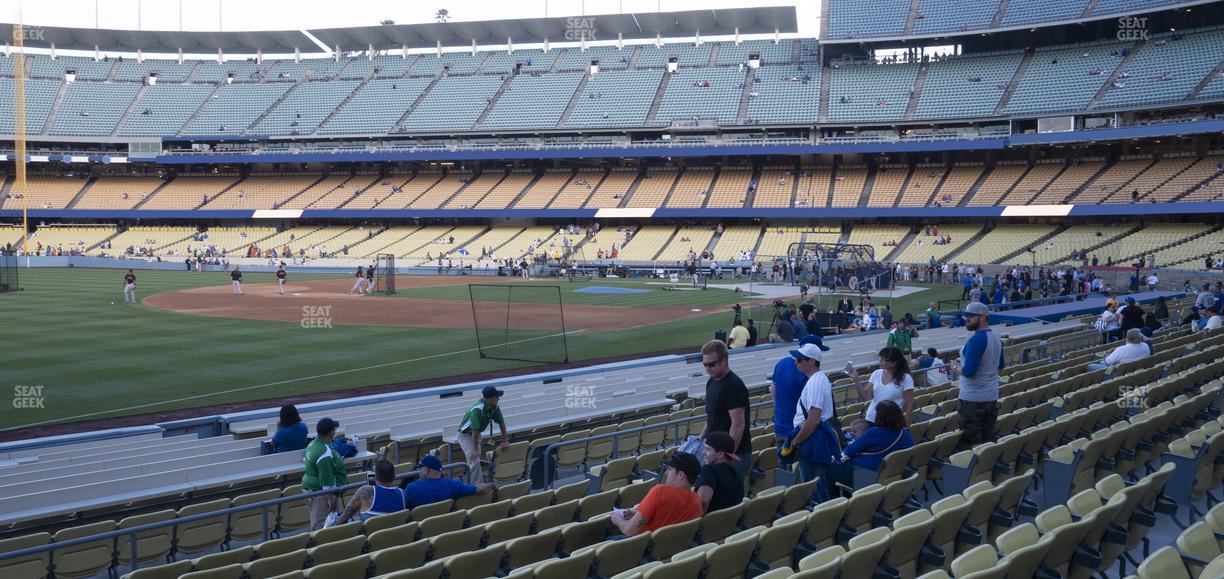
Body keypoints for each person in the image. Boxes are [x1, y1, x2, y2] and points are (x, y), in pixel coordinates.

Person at [786, 343, 840, 502]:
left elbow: (814, 419)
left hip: (812, 441)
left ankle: (822, 524)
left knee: (814, 489)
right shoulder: (818, 379)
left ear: (811, 361)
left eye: (800, 359)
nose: (796, 362)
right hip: (814, 438)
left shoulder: (816, 381)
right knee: (817, 486)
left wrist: (796, 442)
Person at [610, 452, 703, 536]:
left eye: (670, 469)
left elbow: (629, 530)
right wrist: (639, 514)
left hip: (641, 548)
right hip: (672, 549)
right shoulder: (697, 501)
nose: (666, 473)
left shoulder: (659, 492)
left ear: (681, 475)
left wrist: (617, 519)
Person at [700, 340, 752, 479]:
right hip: (716, 453)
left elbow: (738, 425)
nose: (707, 368)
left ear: (724, 361)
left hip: (732, 455)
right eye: (704, 364)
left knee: (728, 498)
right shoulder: (711, 382)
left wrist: (728, 457)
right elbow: (712, 416)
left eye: (711, 364)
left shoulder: (733, 385)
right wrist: (701, 438)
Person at [954, 302, 1003, 450]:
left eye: (970, 316)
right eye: (966, 316)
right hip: (991, 396)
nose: (966, 319)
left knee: (972, 442)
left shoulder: (976, 340)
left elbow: (969, 372)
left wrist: (955, 367)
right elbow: (999, 367)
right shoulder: (996, 337)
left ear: (982, 318)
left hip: (972, 399)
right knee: (989, 439)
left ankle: (976, 472)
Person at [839, 400, 913, 471]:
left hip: (868, 474)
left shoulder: (874, 433)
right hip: (896, 471)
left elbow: (849, 451)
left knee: (830, 469)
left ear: (879, 417)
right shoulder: (906, 433)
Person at [457, 386, 510, 484]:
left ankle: (478, 485)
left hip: (475, 435)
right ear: (488, 399)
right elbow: (474, 430)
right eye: (496, 397)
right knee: (474, 459)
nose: (498, 398)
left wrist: (505, 440)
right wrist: (474, 448)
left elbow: (501, 423)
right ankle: (476, 488)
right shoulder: (477, 409)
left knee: (475, 460)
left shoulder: (494, 405)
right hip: (465, 435)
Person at [850, 346, 916, 426]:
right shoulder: (876, 373)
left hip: (892, 422)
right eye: (880, 358)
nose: (880, 361)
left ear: (894, 363)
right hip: (872, 419)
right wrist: (856, 381)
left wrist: (906, 424)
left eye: (883, 360)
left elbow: (909, 403)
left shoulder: (906, 378)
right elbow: (866, 397)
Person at [302, 418, 348, 530]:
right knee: (322, 527)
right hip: (320, 494)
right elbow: (327, 482)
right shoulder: (324, 453)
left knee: (321, 525)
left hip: (311, 490)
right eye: (334, 430)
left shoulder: (313, 444)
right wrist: (330, 500)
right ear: (331, 433)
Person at [403, 454, 495, 509]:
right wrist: (492, 485)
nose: (419, 471)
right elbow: (480, 489)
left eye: (421, 468)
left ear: (427, 470)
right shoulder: (452, 485)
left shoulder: (411, 488)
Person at [338, 460, 406, 524]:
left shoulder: (365, 491)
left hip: (370, 535)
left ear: (375, 477)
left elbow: (343, 518)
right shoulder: (403, 494)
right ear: (393, 476)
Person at [769, 342, 811, 438]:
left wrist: (779, 409)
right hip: (798, 430)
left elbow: (772, 389)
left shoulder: (781, 363)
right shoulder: (805, 373)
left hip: (780, 424)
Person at [696, 432, 745, 512]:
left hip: (709, 523)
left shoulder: (708, 470)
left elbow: (703, 502)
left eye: (708, 449)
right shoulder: (737, 473)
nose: (703, 453)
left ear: (720, 454)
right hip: (730, 522)